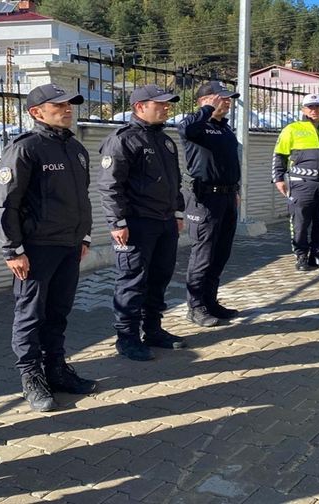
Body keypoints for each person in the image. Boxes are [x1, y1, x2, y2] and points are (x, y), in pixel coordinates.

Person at [0, 83, 97, 412]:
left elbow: (82, 198)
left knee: (58, 312)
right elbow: (5, 204)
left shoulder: (75, 149)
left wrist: (84, 237)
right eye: (59, 105)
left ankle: (56, 369)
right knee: (31, 315)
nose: (67, 110)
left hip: (69, 245)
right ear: (36, 112)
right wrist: (13, 250)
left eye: (69, 105)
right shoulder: (26, 148)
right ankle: (31, 377)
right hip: (37, 249)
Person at [98, 84, 187, 361]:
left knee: (160, 277)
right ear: (140, 107)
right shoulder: (123, 140)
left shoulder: (165, 140)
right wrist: (117, 222)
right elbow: (110, 185)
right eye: (160, 103)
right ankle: (127, 338)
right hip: (137, 224)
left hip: (164, 222)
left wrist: (178, 213)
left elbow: (175, 181)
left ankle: (153, 329)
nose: (166, 107)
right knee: (132, 281)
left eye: (167, 103)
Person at [178, 81, 242, 328]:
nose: (227, 102)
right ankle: (195, 307)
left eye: (228, 98)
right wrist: (206, 110)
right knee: (203, 255)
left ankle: (210, 301)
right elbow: (185, 129)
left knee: (220, 253)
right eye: (221, 98)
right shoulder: (196, 126)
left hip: (227, 197)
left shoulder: (224, 129)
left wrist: (235, 190)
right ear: (204, 100)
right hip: (205, 199)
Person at [272, 93, 319, 272]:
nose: (314, 110)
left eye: (317, 106)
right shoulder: (292, 129)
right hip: (302, 183)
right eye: (310, 107)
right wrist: (278, 178)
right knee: (300, 222)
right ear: (303, 109)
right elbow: (279, 155)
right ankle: (301, 256)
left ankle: (317, 254)